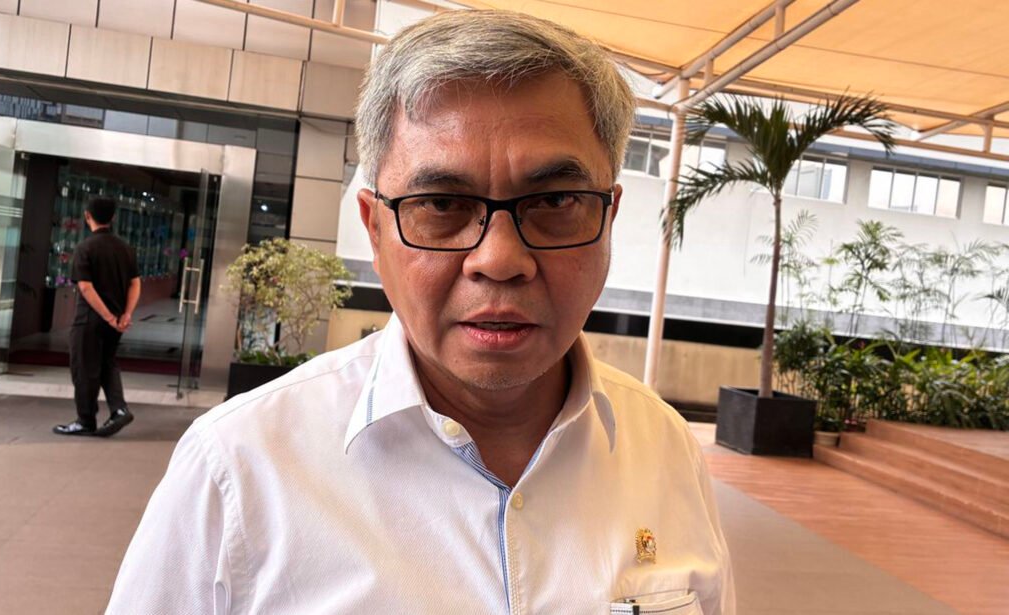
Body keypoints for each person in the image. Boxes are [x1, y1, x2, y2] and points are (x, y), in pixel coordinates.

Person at [107, 10, 734, 614]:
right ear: (374, 228)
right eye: (440, 204)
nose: (499, 259)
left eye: (554, 201)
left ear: (609, 218)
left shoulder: (665, 450)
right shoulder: (238, 469)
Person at [53, 196, 139, 438]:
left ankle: (85, 420)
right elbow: (135, 283)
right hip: (116, 321)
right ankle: (119, 410)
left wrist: (108, 316)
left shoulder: (85, 248)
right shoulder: (126, 248)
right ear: (113, 218)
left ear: (87, 216)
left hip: (89, 320)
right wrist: (125, 315)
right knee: (107, 364)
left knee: (84, 369)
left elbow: (86, 287)